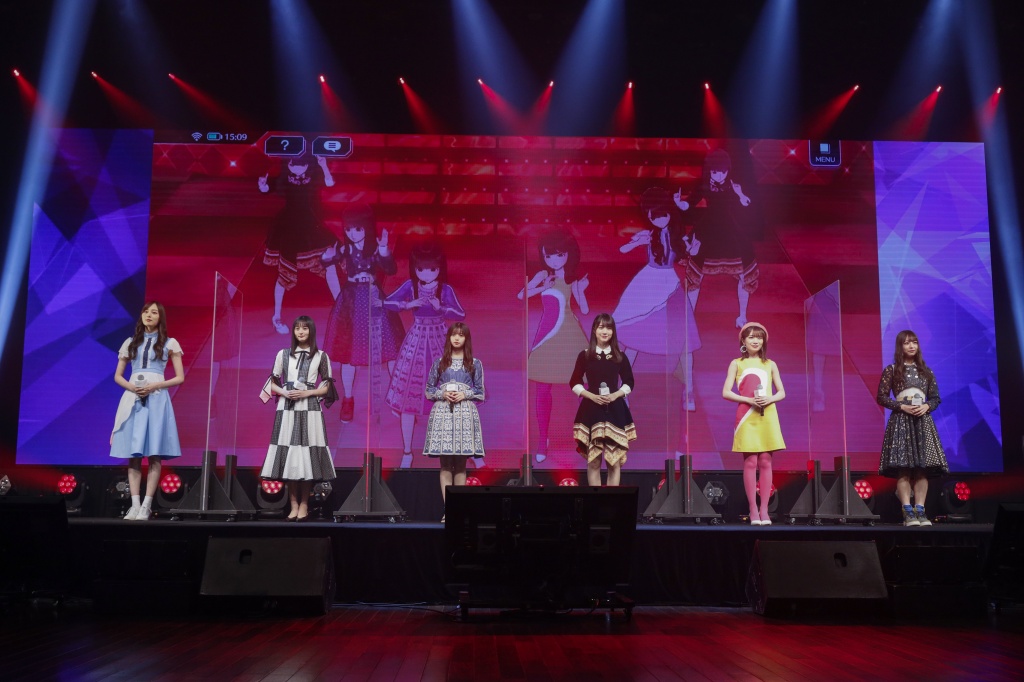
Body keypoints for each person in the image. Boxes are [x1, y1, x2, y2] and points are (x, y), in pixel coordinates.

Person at [613, 187, 701, 411]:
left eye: (663, 214)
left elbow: (688, 252)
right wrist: (636, 242)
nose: (659, 220)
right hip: (648, 285)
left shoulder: (678, 235)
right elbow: (622, 249)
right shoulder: (649, 235)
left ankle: (689, 391)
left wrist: (693, 249)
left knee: (685, 341)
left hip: (671, 287)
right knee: (632, 339)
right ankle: (622, 390)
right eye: (654, 216)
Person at [384, 242, 466, 468]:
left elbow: (460, 313)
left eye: (432, 269)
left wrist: (441, 308)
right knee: (407, 399)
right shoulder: (410, 286)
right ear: (414, 268)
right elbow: (387, 302)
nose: (426, 274)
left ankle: (449, 447)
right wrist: (408, 304)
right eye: (421, 269)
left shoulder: (445, 289)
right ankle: (407, 452)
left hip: (440, 339)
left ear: (440, 268)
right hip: (417, 339)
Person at [322, 204, 405, 422]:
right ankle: (348, 399)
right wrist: (327, 256)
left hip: (374, 298)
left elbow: (390, 269)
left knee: (390, 350)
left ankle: (398, 397)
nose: (352, 233)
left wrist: (384, 249)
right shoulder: (344, 249)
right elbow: (327, 261)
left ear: (367, 227)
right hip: (350, 302)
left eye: (357, 228)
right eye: (348, 229)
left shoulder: (375, 248)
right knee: (348, 356)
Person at [518, 228, 589, 463]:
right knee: (542, 388)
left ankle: (583, 437)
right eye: (548, 255)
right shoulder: (542, 275)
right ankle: (542, 439)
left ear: (569, 254)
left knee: (583, 388)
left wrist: (581, 290)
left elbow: (584, 310)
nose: (554, 260)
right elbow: (521, 295)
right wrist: (543, 285)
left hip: (570, 334)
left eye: (559, 255)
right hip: (547, 335)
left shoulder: (572, 279)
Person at [110, 301, 185, 521]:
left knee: (154, 454)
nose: (149, 315)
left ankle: (146, 505)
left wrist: (155, 386)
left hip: (157, 398)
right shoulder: (130, 342)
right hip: (133, 398)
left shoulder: (170, 343)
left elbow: (180, 377)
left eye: (154, 312)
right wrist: (132, 387)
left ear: (160, 317)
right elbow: (118, 376)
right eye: (145, 311)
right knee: (133, 455)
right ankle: (134, 504)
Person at [259, 316, 338, 521]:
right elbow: (272, 382)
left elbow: (327, 386)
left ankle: (304, 505)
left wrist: (308, 393)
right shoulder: (283, 354)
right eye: (297, 328)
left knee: (306, 456)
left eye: (305, 328)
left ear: (311, 331)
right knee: (290, 456)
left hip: (310, 407)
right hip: (287, 408)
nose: (301, 332)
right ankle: (293, 505)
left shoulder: (321, 356)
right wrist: (284, 393)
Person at [675, 148, 757, 328]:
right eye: (715, 172)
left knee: (743, 274)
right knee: (695, 277)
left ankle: (742, 317)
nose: (719, 176)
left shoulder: (732, 184)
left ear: (727, 171)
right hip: (707, 229)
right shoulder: (704, 185)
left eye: (722, 172)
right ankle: (689, 318)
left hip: (730, 230)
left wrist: (740, 193)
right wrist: (679, 203)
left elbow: (746, 203)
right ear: (709, 171)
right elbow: (689, 204)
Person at [258, 154, 340, 334]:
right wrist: (262, 185)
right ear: (288, 164)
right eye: (293, 164)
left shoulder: (314, 176)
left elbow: (329, 183)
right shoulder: (284, 179)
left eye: (301, 164)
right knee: (284, 272)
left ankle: (341, 309)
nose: (297, 168)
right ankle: (277, 316)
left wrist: (323, 165)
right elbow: (268, 188)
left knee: (330, 264)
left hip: (311, 225)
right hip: (289, 228)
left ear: (307, 165)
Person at [876, 330, 949, 526]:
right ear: (900, 346)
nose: (911, 346)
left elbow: (935, 398)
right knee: (904, 469)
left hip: (922, 422)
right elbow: (881, 397)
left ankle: (920, 510)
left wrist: (927, 406)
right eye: (907, 343)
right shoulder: (892, 370)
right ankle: (907, 512)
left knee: (922, 469)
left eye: (914, 342)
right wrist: (902, 406)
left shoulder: (926, 371)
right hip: (901, 421)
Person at [722, 322, 786, 525]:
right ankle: (752, 510)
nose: (755, 340)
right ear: (743, 340)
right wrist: (749, 400)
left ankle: (764, 510)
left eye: (759, 337)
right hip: (746, 416)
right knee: (750, 462)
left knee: (766, 461)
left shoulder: (770, 364)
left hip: (767, 415)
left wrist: (770, 399)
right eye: (751, 337)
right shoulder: (736, 363)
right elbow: (726, 392)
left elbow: (782, 392)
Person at [423, 322, 485, 518]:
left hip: (464, 413)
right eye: (453, 335)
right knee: (445, 464)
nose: (457, 338)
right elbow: (428, 390)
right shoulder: (439, 362)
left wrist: (464, 394)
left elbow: (480, 392)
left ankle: (458, 510)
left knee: (460, 464)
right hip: (443, 413)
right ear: (449, 337)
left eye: (461, 335)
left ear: (466, 339)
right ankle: (448, 510)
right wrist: (442, 393)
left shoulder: (474, 363)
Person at [570, 314, 637, 487]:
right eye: (601, 327)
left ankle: (612, 501)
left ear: (613, 331)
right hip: (591, 411)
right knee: (594, 461)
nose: (605, 331)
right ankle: (596, 500)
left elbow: (629, 382)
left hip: (615, 411)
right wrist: (591, 396)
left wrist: (616, 395)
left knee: (613, 462)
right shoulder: (585, 355)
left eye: (608, 328)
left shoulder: (620, 356)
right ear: (594, 330)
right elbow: (574, 382)